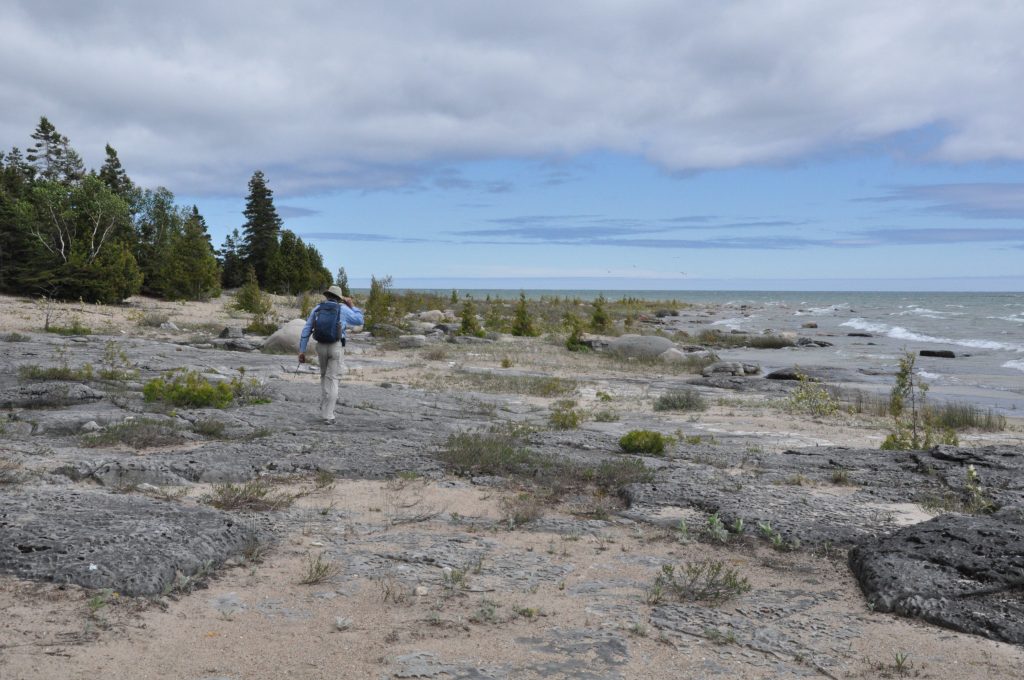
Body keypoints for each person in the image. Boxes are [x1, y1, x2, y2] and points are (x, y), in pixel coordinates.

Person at [298, 285, 364, 424]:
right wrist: (352, 306)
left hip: (320, 346)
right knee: (333, 378)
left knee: (323, 376)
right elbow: (360, 320)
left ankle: (324, 408)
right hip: (336, 346)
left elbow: (306, 329)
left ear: (327, 295)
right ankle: (329, 415)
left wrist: (302, 350)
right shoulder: (343, 309)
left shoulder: (317, 309)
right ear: (339, 298)